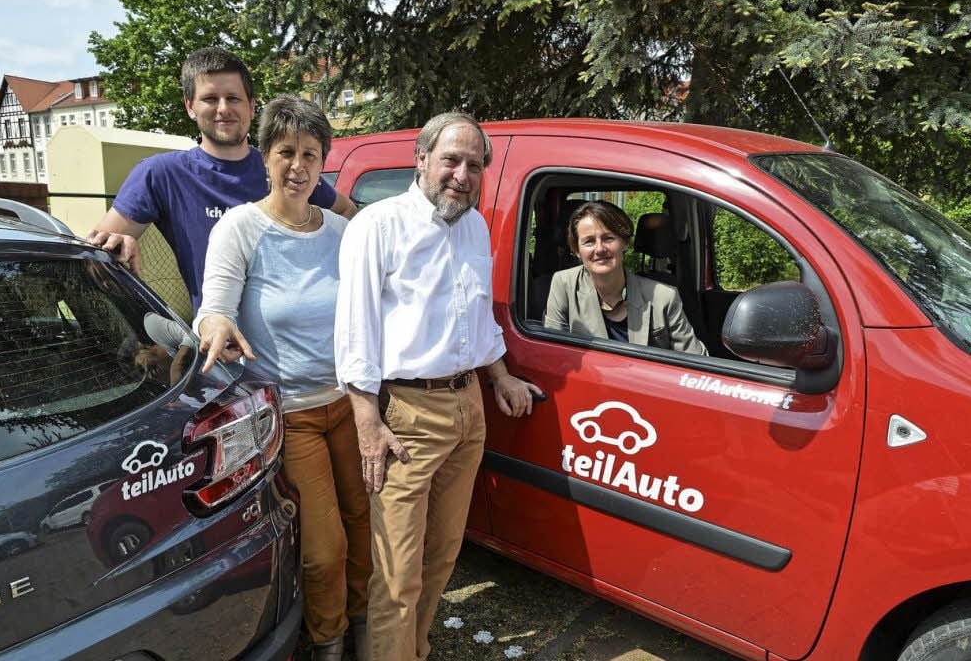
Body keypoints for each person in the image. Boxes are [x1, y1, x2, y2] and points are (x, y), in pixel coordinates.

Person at [334, 111, 543, 661]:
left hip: (467, 406)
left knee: (441, 559)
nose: (462, 174)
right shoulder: (376, 226)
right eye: (451, 160)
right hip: (405, 415)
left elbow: (477, 321)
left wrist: (499, 376)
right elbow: (355, 335)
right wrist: (368, 425)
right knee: (398, 575)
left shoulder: (474, 227)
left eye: (474, 165)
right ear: (421, 158)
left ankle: (414, 651)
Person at [194, 95, 368, 661]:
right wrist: (215, 319)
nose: (297, 166)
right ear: (265, 158)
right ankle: (328, 641)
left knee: (365, 528)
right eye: (285, 152)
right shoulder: (241, 229)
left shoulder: (343, 233)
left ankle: (366, 626)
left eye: (310, 154)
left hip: (351, 403)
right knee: (323, 549)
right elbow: (214, 304)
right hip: (291, 412)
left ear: (324, 164)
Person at [86, 46, 357, 313]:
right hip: (221, 340)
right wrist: (116, 249)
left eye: (233, 98)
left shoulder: (282, 168)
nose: (223, 109)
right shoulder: (161, 174)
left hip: (295, 335)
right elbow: (97, 260)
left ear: (251, 107)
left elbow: (345, 211)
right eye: (211, 99)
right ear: (190, 106)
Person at [544, 200, 708, 355]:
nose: (599, 249)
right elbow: (554, 354)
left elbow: (697, 362)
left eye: (608, 238)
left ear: (625, 242)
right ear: (577, 250)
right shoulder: (564, 285)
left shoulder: (664, 296)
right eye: (589, 241)